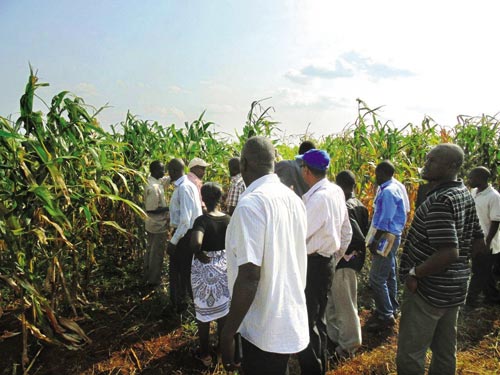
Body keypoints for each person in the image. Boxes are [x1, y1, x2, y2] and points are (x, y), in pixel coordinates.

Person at [221, 136, 309, 375]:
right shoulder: (294, 200)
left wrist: (227, 333)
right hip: (288, 316)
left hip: (264, 326)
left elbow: (250, 275)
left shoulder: (250, 205)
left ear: (243, 165)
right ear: (273, 163)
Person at [397, 144, 485, 375]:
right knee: (445, 352)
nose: (426, 164)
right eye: (427, 159)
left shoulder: (441, 201)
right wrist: (457, 272)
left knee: (411, 354)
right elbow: (478, 241)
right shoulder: (463, 194)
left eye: (433, 161)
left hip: (428, 291)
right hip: (454, 290)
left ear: (452, 166)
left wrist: (416, 273)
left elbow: (449, 252)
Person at [295, 149, 352, 375]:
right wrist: (333, 258)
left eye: (302, 168)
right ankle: (321, 366)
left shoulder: (318, 199)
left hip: (312, 265)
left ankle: (313, 369)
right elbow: (346, 232)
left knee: (306, 324)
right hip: (324, 263)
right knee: (318, 320)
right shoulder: (335, 191)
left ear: (307, 171)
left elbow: (297, 234)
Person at [326, 170, 369, 358]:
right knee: (336, 303)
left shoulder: (345, 206)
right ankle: (336, 340)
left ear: (338, 185)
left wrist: (345, 254)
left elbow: (355, 237)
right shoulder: (359, 204)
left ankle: (349, 346)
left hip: (344, 262)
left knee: (345, 305)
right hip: (350, 262)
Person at [189, 182, 231, 367]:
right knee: (223, 313)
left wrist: (198, 252)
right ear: (221, 198)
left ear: (203, 199)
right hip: (223, 268)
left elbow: (196, 243)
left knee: (203, 315)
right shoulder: (228, 219)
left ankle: (205, 355)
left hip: (204, 270)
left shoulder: (202, 221)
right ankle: (221, 351)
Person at [367, 160, 407, 330]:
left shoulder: (389, 192)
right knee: (389, 272)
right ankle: (392, 306)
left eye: (377, 173)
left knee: (377, 277)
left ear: (383, 173)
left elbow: (385, 219)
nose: (375, 176)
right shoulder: (394, 187)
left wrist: (375, 240)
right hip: (392, 235)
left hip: (386, 237)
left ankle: (385, 314)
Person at [167, 158, 203, 314]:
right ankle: (183, 304)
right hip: (185, 234)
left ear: (175, 171)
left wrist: (173, 241)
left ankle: (180, 306)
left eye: (169, 170)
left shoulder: (184, 188)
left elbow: (185, 221)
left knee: (179, 272)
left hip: (184, 235)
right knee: (184, 271)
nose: (168, 174)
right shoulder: (188, 186)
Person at [465, 166, 500, 307]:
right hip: (474, 239)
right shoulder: (474, 192)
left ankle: (470, 302)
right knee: (484, 272)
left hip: (486, 241)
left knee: (479, 273)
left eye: (472, 177)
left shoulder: (494, 197)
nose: (469, 180)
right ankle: (493, 297)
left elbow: (496, 221)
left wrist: (487, 242)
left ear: (481, 178)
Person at [143, 161, 169, 286]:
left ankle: (148, 276)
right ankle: (153, 281)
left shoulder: (155, 182)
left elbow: (165, 180)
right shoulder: (153, 188)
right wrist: (169, 208)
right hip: (157, 225)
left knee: (151, 250)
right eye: (162, 170)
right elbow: (151, 209)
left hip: (153, 224)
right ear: (154, 171)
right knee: (156, 253)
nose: (164, 173)